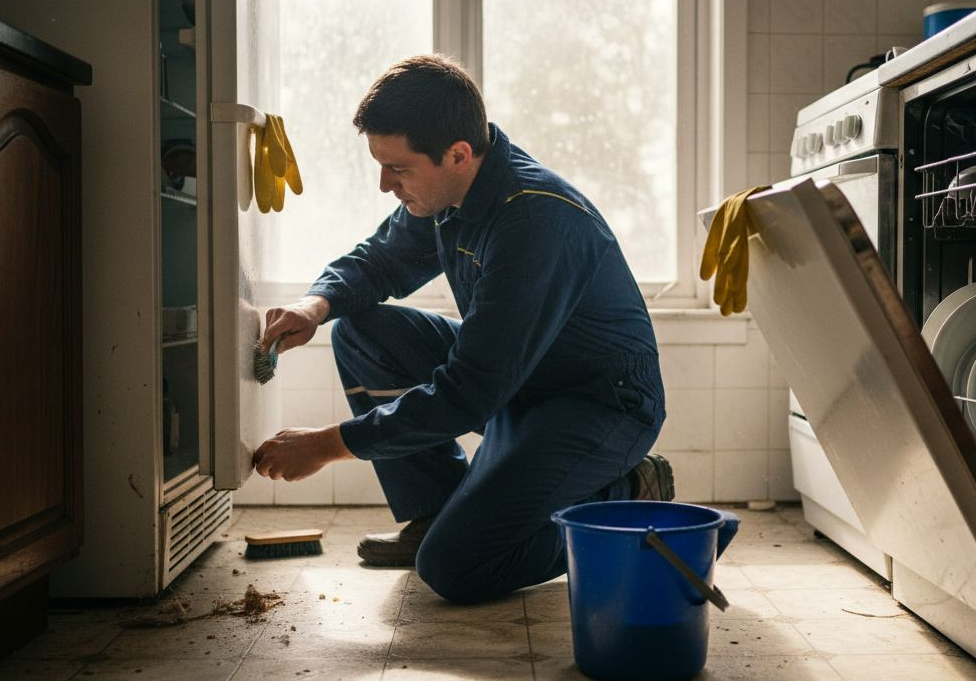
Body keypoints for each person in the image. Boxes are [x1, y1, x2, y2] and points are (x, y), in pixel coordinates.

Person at [251, 54, 671, 604]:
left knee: (455, 567)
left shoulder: (533, 222)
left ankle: (629, 493)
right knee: (360, 328)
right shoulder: (451, 190)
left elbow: (468, 394)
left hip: (597, 404)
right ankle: (437, 511)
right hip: (523, 379)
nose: (383, 184)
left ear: (457, 154)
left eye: (397, 169)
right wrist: (314, 306)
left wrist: (328, 446)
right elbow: (382, 261)